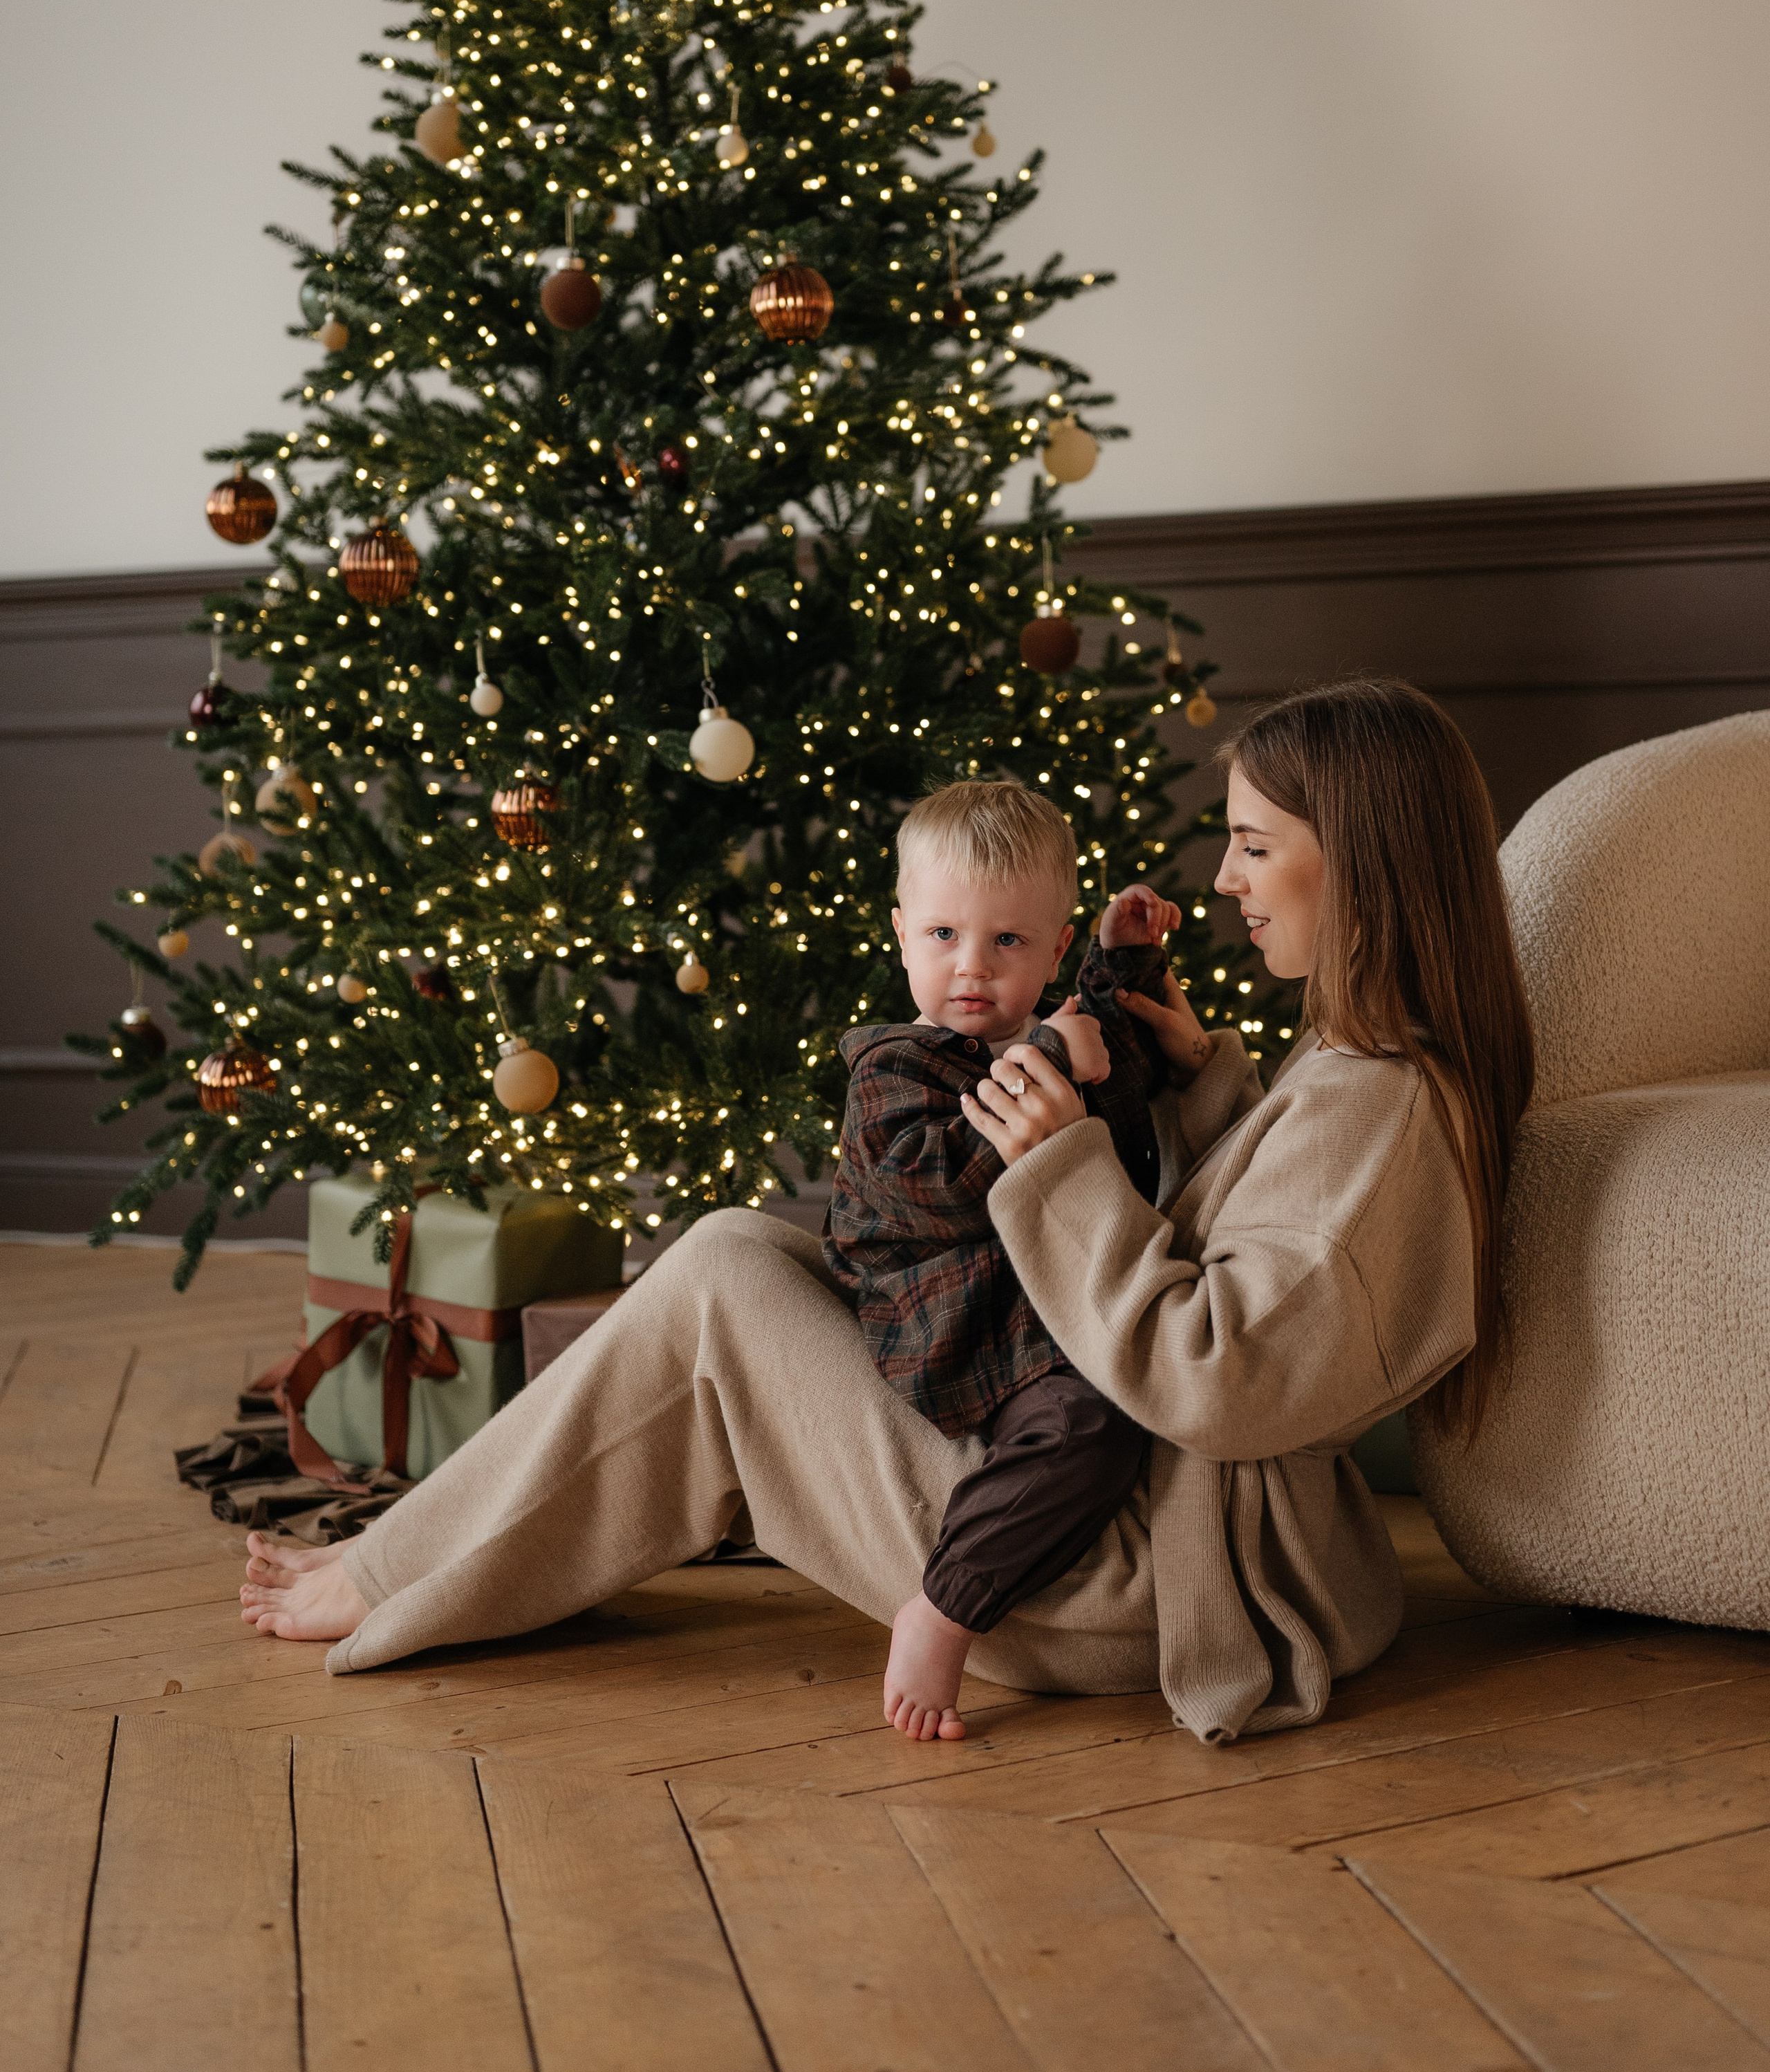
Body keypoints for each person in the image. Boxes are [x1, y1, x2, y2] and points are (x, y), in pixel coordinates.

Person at [240, 679, 1533, 1752]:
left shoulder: (1382, 1105)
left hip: (1132, 1571)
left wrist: (1062, 1163)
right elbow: (1272, 1252)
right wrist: (1208, 1088)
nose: (1230, 874)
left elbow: (1229, 1377)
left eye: (1256, 844)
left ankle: (394, 1575)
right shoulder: (1369, 1071)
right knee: (738, 1251)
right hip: (1134, 1518)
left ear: (1355, 856)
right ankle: (423, 1559)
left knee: (719, 1292)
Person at [827, 779, 1207, 1739]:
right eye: (944, 935)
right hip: (961, 1331)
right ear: (902, 927)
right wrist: (1044, 1053)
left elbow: (1117, 1033)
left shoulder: (1070, 1033)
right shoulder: (894, 1070)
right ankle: (945, 1608)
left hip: (1066, 1317)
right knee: (1083, 1417)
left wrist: (1123, 957)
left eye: (1008, 942)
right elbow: (936, 1185)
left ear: (1051, 944)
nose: (971, 968)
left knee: (1119, 1420)